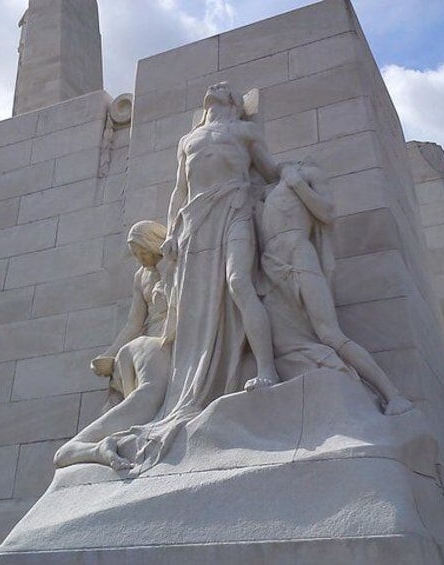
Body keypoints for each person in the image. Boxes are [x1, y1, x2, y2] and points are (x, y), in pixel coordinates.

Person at [259, 162, 413, 415]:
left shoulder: (307, 173)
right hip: (269, 265)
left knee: (329, 333)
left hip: (298, 254)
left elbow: (327, 213)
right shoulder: (264, 191)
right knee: (280, 341)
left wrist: (295, 182)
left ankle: (392, 394)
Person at [161, 81, 281, 397]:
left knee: (239, 282)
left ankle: (267, 369)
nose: (215, 88)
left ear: (233, 101)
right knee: (193, 303)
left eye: (223, 87)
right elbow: (179, 191)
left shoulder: (245, 132)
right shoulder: (188, 140)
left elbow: (271, 173)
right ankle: (194, 383)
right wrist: (171, 231)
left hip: (235, 207)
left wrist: (303, 178)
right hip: (195, 221)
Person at [54, 221, 171, 470]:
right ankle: (91, 443)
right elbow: (133, 323)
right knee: (140, 397)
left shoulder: (174, 265)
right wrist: (109, 355)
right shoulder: (141, 277)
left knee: (146, 397)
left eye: (144, 252)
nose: (141, 258)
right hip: (147, 344)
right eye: (136, 255)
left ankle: (90, 446)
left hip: (164, 341)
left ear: (156, 244)